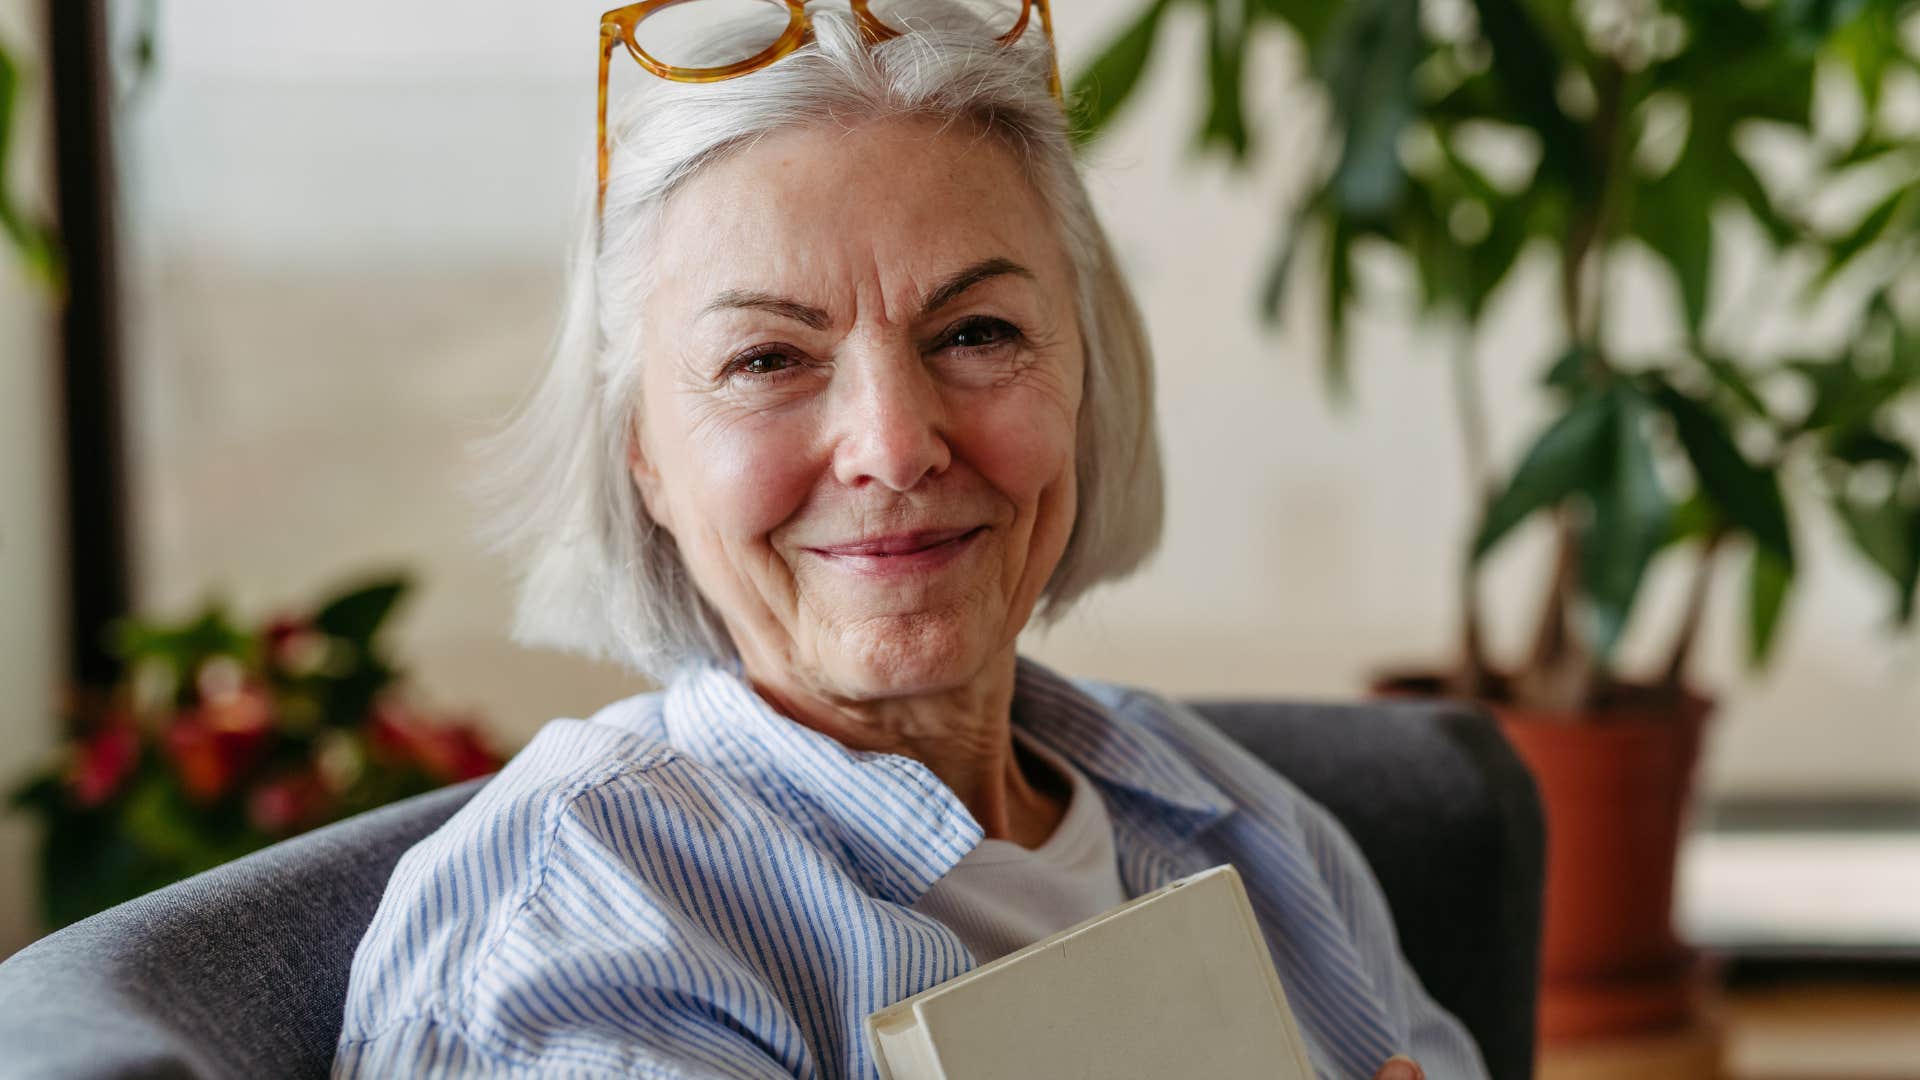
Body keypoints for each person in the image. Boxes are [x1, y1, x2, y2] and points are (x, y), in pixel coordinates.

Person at [335, 3, 1485, 1077]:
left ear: (1087, 378)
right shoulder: (578, 924)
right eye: (766, 359)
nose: (892, 445)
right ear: (643, 451)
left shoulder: (1234, 813)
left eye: (976, 333)